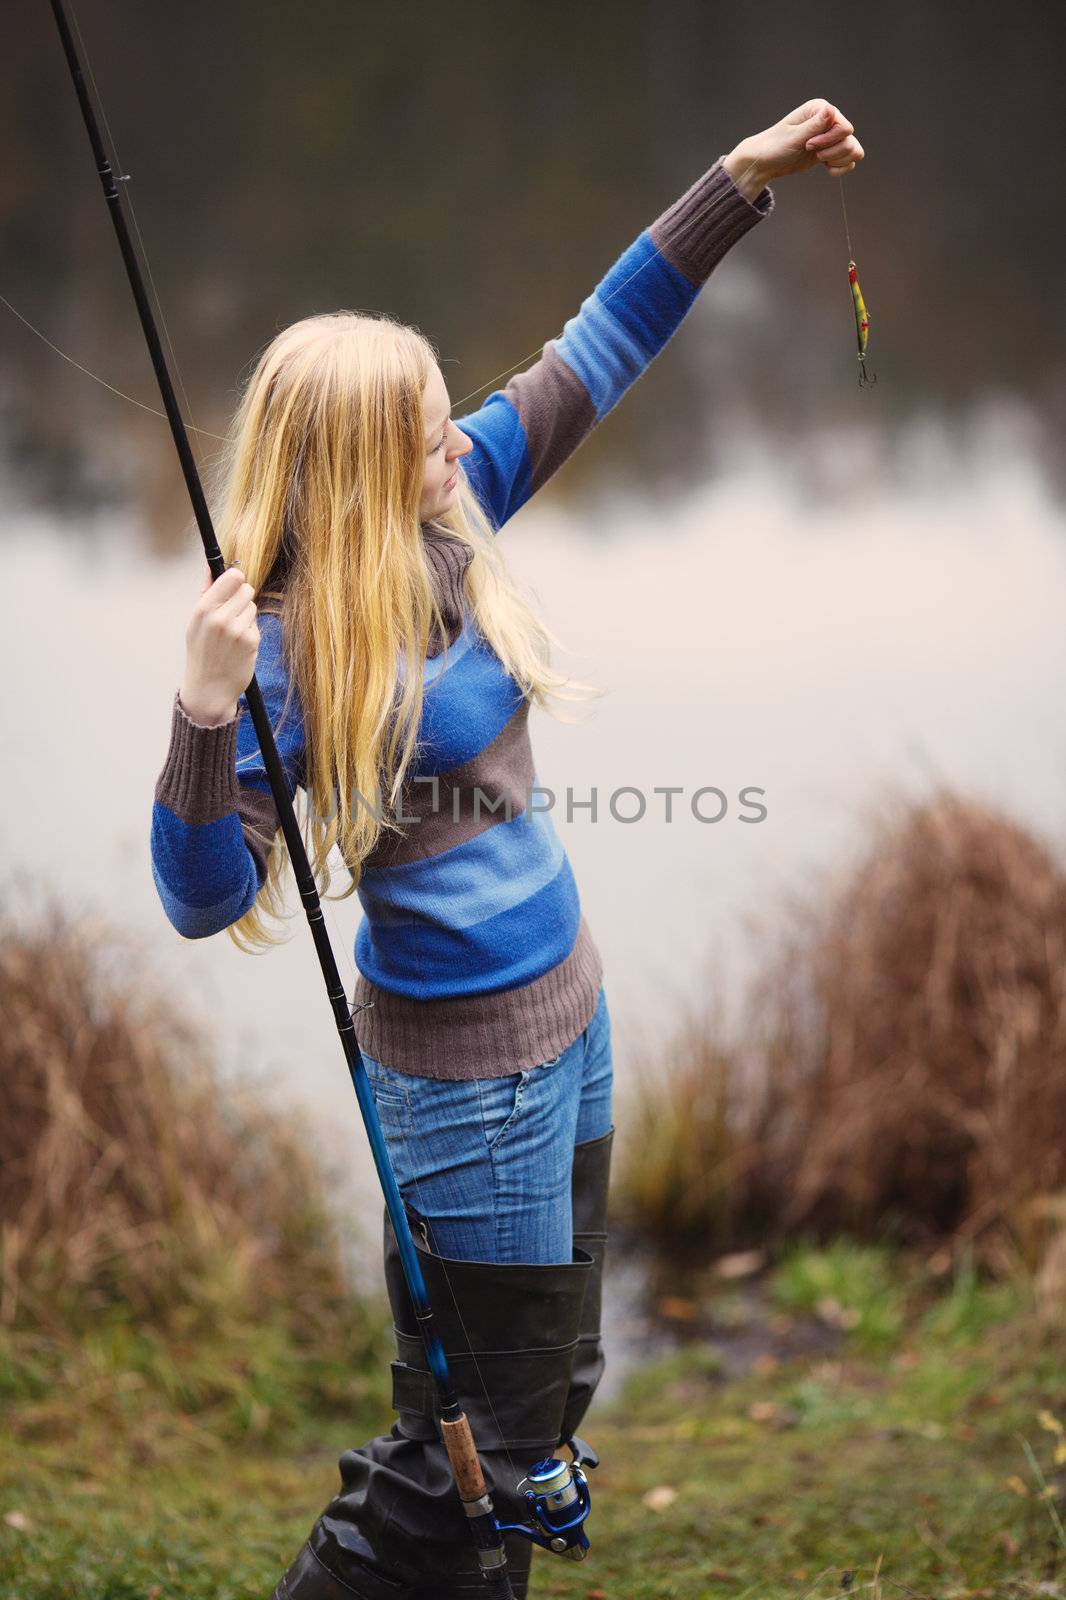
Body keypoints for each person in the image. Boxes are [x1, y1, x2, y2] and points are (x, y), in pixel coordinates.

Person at [150, 97, 863, 1600]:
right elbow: (204, 899)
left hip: (571, 1013)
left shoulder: (451, 501)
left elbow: (600, 342)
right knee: (458, 1463)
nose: (448, 433)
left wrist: (737, 182)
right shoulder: (275, 651)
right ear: (349, 468)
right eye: (415, 428)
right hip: (463, 1081)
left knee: (537, 1406)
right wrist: (203, 713)